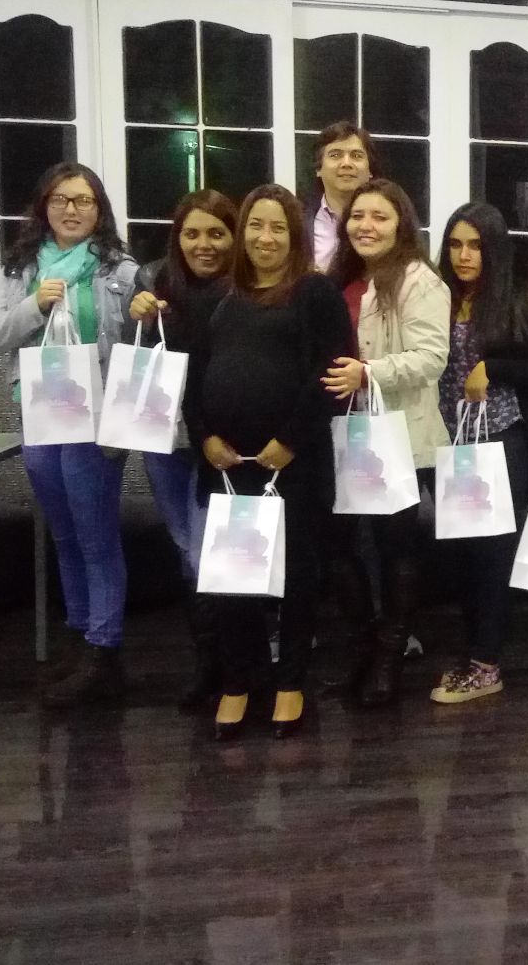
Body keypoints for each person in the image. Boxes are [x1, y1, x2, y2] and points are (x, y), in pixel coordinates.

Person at [187, 184, 353, 740]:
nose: (265, 237)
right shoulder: (221, 298)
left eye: (278, 227)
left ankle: (290, 683)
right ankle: (239, 682)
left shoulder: (315, 294)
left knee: (297, 575)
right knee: (233, 578)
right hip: (228, 467)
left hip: (292, 464)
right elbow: (194, 380)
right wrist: (205, 438)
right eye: (256, 225)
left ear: (295, 235)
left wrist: (291, 439)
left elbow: (331, 376)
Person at [0, 162, 139, 707]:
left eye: (83, 200)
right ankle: (80, 638)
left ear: (99, 210)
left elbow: (141, 338)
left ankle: (104, 651)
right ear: (43, 207)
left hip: (97, 414)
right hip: (42, 410)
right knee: (64, 534)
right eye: (60, 199)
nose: (72, 210)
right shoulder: (20, 267)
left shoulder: (119, 270)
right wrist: (34, 305)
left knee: (96, 535)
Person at [320, 178, 450, 708]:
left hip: (395, 433)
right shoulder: (339, 277)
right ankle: (362, 648)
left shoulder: (420, 280)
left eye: (380, 217)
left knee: (396, 548)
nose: (366, 226)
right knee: (339, 548)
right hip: (338, 432)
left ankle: (389, 660)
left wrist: (368, 372)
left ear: (401, 225)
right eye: (358, 216)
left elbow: (431, 358)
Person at [426, 201, 528, 702]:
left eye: (476, 246)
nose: (464, 255)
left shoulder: (518, 299)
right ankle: (475, 653)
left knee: (493, 554)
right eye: (455, 244)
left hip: (502, 440)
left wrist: (494, 368)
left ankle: (486, 663)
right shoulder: (435, 297)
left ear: (495, 250)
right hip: (449, 442)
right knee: (462, 553)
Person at [124, 189, 238, 711]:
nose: (203, 244)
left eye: (216, 233)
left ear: (234, 237)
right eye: (192, 233)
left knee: (211, 553)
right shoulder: (154, 282)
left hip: (222, 439)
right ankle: (208, 664)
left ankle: (231, 666)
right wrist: (138, 316)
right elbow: (132, 351)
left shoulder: (247, 291)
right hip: (166, 437)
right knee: (187, 550)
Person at [306, 121, 377, 274]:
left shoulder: (387, 224)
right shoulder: (298, 222)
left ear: (370, 170)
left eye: (356, 156)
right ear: (318, 168)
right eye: (335, 155)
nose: (346, 163)